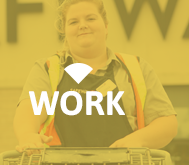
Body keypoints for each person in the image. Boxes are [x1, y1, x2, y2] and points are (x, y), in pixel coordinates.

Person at [14, 0, 177, 156]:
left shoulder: (136, 68)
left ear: (106, 26)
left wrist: (137, 140)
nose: (82, 25)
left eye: (90, 18)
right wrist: (27, 135)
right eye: (73, 22)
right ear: (64, 30)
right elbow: (30, 110)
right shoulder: (48, 70)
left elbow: (166, 123)